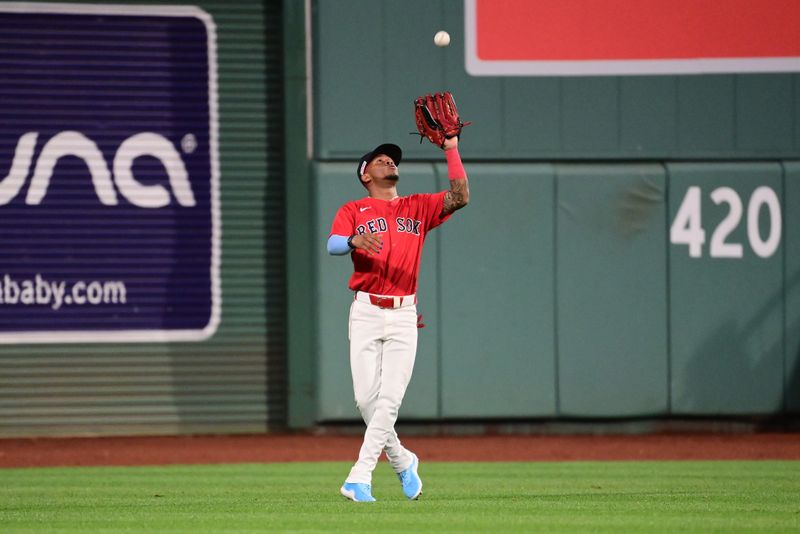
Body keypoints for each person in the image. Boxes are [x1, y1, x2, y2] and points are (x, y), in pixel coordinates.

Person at [327, 136, 469, 502]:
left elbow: (460, 196)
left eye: (392, 159)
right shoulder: (354, 210)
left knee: (389, 399)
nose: (389, 162)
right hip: (366, 310)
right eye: (380, 160)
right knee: (365, 400)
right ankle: (403, 461)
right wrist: (353, 242)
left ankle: (360, 476)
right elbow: (333, 245)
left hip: (404, 312)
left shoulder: (418, 207)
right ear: (365, 175)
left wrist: (450, 148)